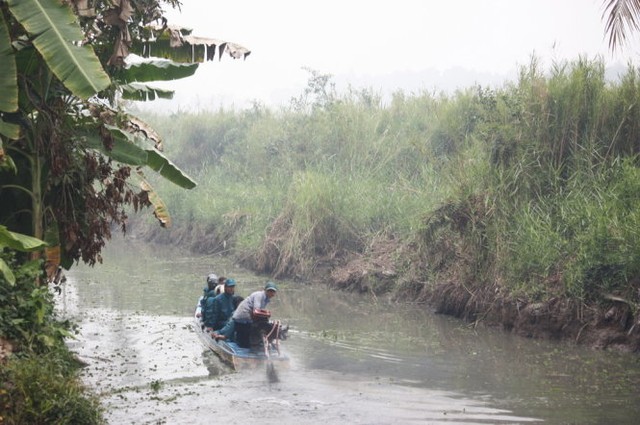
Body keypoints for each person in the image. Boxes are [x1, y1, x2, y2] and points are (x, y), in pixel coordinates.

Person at [227, 281, 278, 348]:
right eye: (270, 291)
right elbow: (256, 311)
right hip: (243, 317)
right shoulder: (259, 295)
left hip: (248, 317)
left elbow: (259, 312)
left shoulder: (266, 299)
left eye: (273, 291)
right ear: (265, 290)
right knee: (244, 342)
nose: (271, 293)